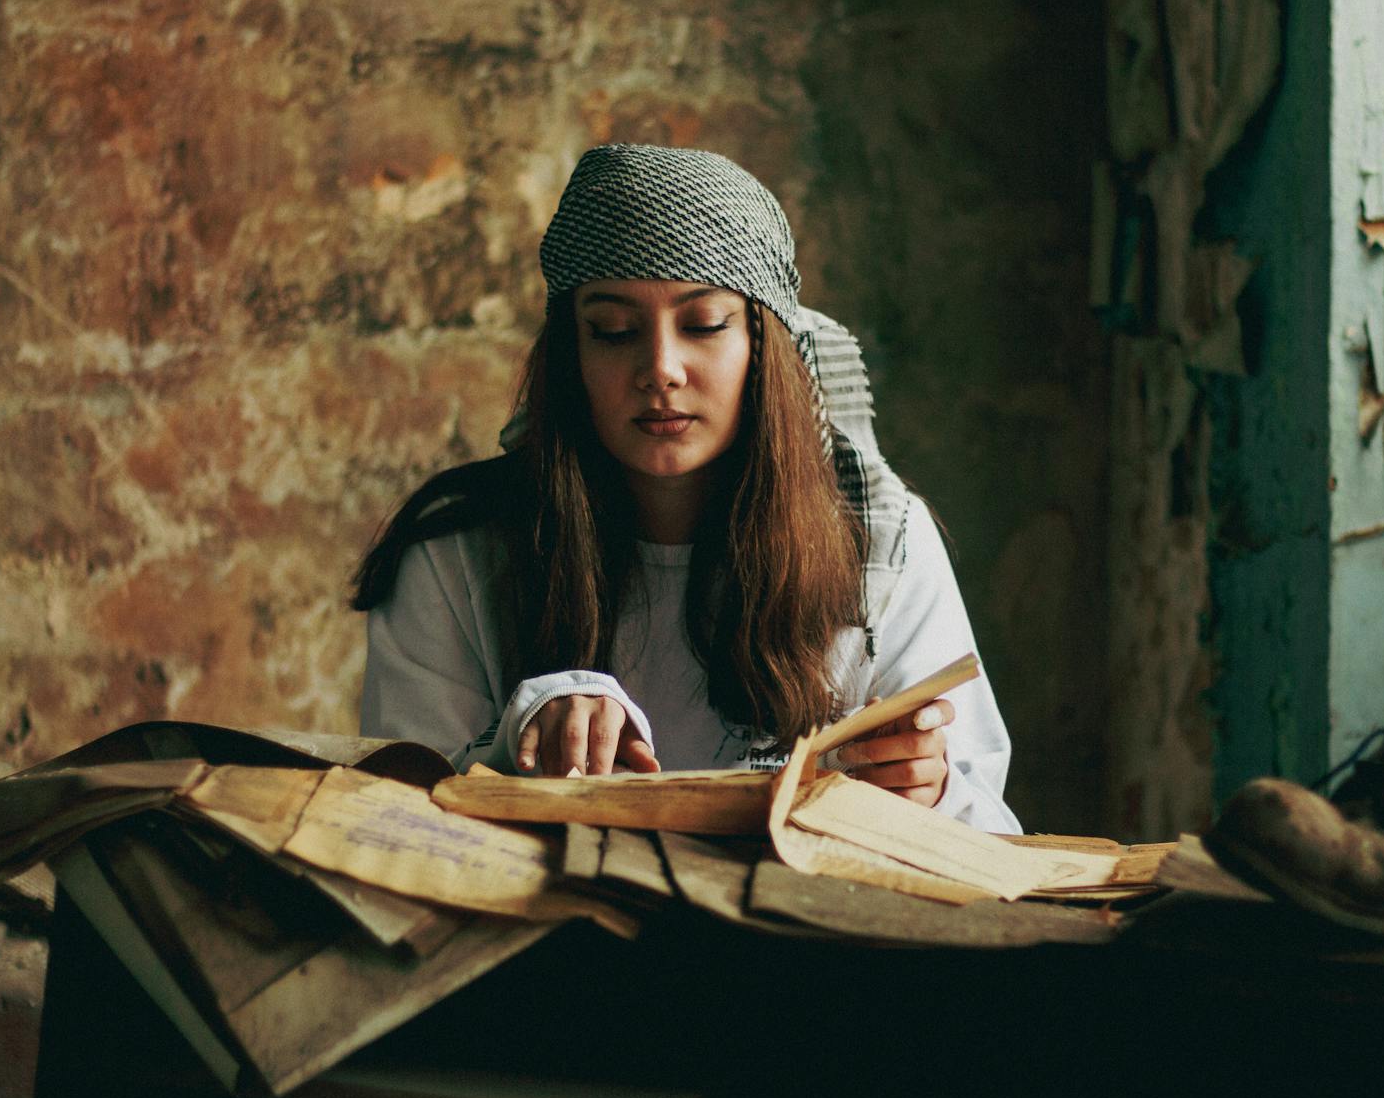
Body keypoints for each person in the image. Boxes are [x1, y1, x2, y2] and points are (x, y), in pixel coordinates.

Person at [354, 144, 1021, 833]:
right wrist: (521, 741)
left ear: (764, 347)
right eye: (613, 332)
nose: (661, 369)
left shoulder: (880, 539)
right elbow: (391, 824)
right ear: (570, 352)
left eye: (703, 325)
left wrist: (930, 792)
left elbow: (995, 837)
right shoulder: (455, 551)